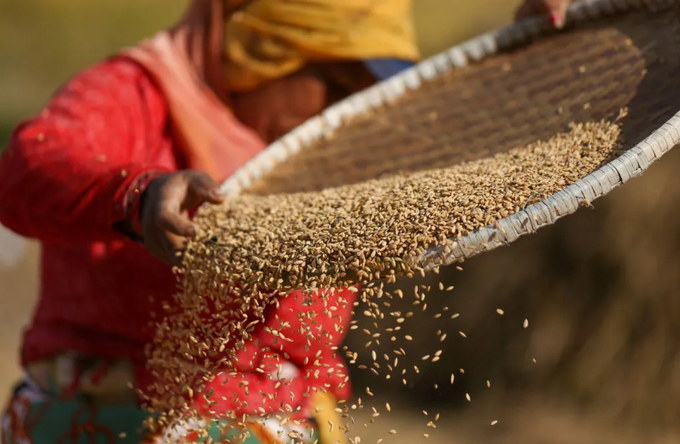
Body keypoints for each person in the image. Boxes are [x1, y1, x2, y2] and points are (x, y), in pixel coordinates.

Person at [0, 0, 572, 442]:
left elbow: (461, 151)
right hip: (109, 421)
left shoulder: (345, 142)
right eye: (338, 84)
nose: (348, 114)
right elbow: (27, 169)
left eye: (370, 92)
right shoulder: (137, 94)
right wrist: (136, 197)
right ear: (261, 53)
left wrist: (527, 59)